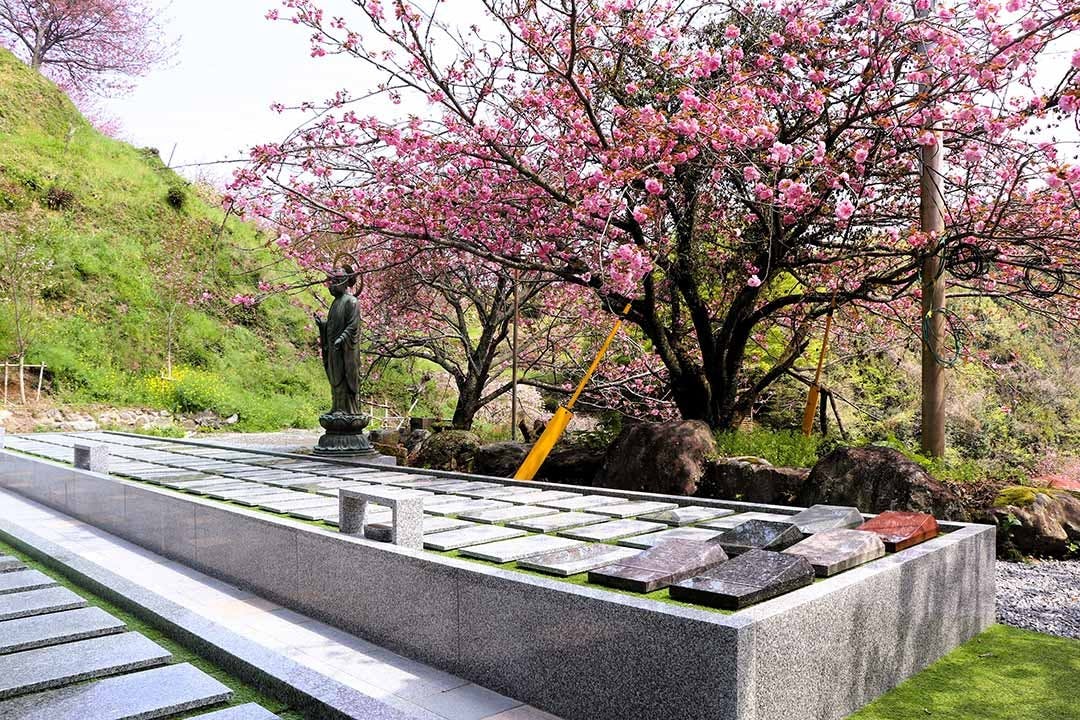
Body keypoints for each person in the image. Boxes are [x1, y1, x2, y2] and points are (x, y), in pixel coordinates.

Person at [314, 266, 360, 416]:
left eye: (335, 282)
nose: (331, 286)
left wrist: (342, 338)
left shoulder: (351, 302)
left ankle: (347, 409)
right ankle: (336, 406)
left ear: (344, 282)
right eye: (330, 283)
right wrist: (323, 325)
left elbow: (353, 326)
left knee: (345, 377)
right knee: (335, 377)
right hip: (334, 346)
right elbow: (332, 324)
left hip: (345, 347)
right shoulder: (335, 303)